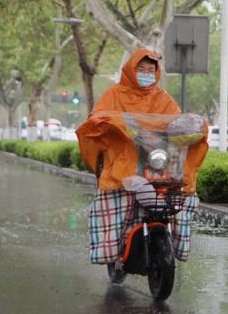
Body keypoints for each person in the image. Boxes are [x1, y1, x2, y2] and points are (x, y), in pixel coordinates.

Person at [76, 48, 208, 265]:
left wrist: (190, 127)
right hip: (124, 159)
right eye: (141, 69)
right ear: (131, 70)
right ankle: (110, 249)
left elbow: (176, 122)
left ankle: (176, 242)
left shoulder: (163, 98)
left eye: (150, 69)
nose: (146, 73)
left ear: (156, 73)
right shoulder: (113, 95)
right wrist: (108, 123)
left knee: (179, 190)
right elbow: (97, 118)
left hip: (157, 159)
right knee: (116, 194)